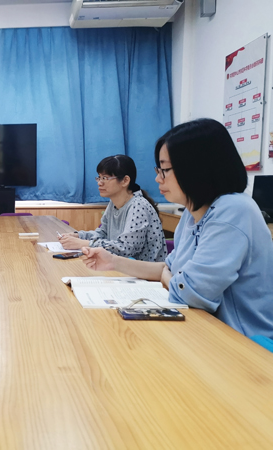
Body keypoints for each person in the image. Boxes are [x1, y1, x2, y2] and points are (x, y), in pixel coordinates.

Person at [82, 118, 273, 338]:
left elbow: (191, 293)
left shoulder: (233, 210)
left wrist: (170, 276)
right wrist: (113, 261)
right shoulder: (193, 212)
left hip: (244, 340)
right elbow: (168, 269)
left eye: (164, 170)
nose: (157, 178)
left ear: (196, 168)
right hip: (205, 328)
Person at [59, 154, 166, 262]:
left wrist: (85, 243)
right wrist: (78, 236)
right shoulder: (113, 203)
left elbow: (126, 248)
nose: (99, 183)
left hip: (143, 270)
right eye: (99, 177)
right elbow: (103, 234)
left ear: (125, 180)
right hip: (121, 266)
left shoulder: (138, 206)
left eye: (105, 178)